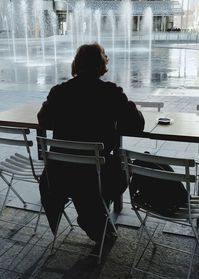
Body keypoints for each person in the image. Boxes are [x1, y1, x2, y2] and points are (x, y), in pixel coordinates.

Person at [37, 43, 145, 242]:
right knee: (122, 166)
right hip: (98, 177)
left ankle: (92, 215)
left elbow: (43, 120)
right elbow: (137, 125)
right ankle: (93, 214)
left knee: (84, 175)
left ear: (77, 64)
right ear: (100, 64)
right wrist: (128, 105)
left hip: (59, 175)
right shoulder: (110, 92)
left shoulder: (59, 91)